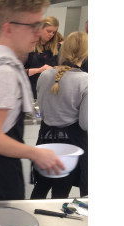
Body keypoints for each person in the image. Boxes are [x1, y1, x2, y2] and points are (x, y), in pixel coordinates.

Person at [0, 0, 65, 201]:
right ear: (9, 28)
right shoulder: (3, 72)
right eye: (33, 25)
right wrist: (37, 154)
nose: (38, 32)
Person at [30, 31, 88, 199]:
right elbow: (85, 124)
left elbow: (43, 108)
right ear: (85, 53)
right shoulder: (85, 81)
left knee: (40, 187)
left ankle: (31, 219)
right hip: (68, 146)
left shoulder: (45, 75)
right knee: (61, 193)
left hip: (46, 139)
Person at [24, 16, 60, 99]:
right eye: (48, 31)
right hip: (30, 92)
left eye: (54, 32)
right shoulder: (28, 46)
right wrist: (39, 70)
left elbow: (64, 68)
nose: (51, 34)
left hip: (49, 93)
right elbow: (18, 72)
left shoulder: (57, 48)